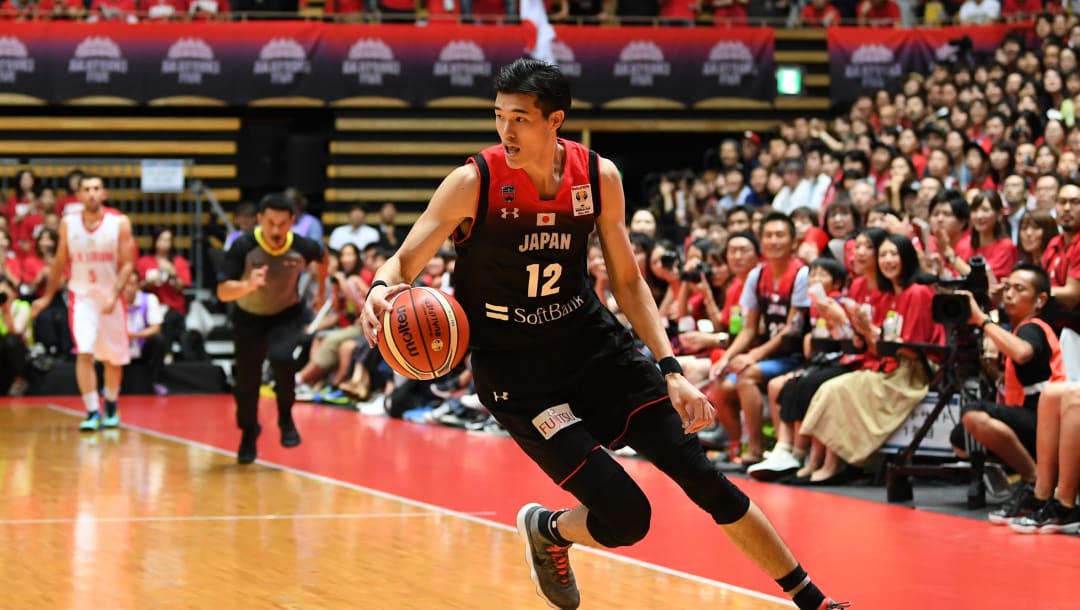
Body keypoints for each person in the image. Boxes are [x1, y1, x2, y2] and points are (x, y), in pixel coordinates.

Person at [360, 59, 845, 610]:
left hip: (594, 349)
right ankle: (549, 529)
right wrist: (379, 289)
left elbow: (629, 282)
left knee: (702, 476)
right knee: (627, 517)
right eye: (499, 116)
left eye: (520, 118)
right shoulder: (476, 181)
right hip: (519, 377)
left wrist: (672, 370)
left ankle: (812, 600)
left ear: (555, 120)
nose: (506, 131)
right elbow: (403, 261)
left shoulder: (597, 176)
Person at [948, 264, 1064, 524]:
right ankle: (1029, 476)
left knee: (974, 415)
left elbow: (1023, 352)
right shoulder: (1015, 329)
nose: (1009, 294)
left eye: (1019, 289)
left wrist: (983, 320)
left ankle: (1036, 482)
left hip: (1046, 420)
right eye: (1007, 287)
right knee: (961, 438)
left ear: (1040, 300)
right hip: (1032, 418)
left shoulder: (1032, 326)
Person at [216, 192, 325, 464]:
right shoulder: (242, 246)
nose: (276, 230)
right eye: (270, 223)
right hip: (248, 317)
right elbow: (221, 292)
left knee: (282, 358)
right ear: (259, 220)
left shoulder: (302, 245)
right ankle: (248, 431)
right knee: (247, 383)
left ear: (291, 221)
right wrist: (248, 285)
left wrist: (321, 289)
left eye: (282, 223)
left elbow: (323, 258)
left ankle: (286, 418)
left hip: (286, 315)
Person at [31, 175, 136, 431]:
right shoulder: (68, 224)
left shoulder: (119, 222)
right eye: (86, 189)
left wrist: (115, 293)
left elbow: (128, 264)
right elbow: (59, 262)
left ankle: (110, 403)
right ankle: (91, 410)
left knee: (113, 360)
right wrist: (46, 297)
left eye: (96, 188)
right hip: (82, 297)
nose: (91, 193)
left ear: (104, 193)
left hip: (110, 297)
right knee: (85, 352)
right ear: (78, 196)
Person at [123, 273, 170, 396]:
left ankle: (157, 382)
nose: (128, 288)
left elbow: (156, 327)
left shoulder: (149, 299)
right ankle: (107, 385)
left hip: (142, 345)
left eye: (132, 284)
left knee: (159, 340)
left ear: (138, 285)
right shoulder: (114, 301)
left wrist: (135, 335)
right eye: (125, 284)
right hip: (121, 346)